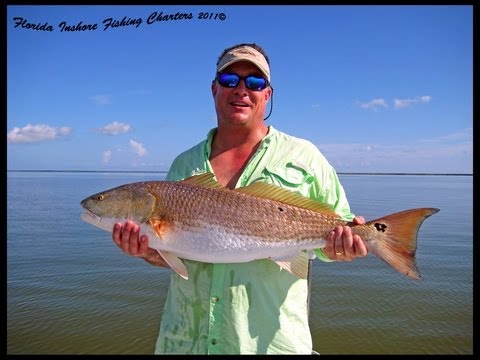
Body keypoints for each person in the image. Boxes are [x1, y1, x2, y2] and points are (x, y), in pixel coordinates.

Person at [112, 43, 368, 355]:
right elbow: (174, 252)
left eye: (255, 82)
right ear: (214, 89)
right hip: (185, 342)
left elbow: (334, 240)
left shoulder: (306, 158)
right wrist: (144, 251)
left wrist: (346, 246)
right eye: (230, 80)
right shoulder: (184, 164)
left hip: (268, 345)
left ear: (267, 94)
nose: (242, 90)